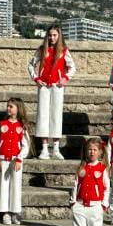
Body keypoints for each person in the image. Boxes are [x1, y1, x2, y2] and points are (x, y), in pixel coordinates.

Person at [27, 25, 76, 160]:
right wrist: (36, 78)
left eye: (54, 35)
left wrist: (65, 78)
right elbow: (31, 65)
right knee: (43, 115)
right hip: (43, 86)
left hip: (57, 86)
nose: (52, 38)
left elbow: (72, 67)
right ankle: (44, 148)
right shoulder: (42, 50)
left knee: (56, 115)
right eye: (50, 35)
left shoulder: (64, 51)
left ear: (59, 36)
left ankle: (55, 148)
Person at [68, 137, 110, 226]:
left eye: (95, 150)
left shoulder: (102, 169)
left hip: (95, 205)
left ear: (100, 152)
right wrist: (73, 201)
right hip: (80, 204)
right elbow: (76, 184)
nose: (92, 152)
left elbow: (107, 187)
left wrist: (104, 204)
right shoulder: (81, 167)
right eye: (90, 149)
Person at [0, 98, 30, 225]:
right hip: (3, 159)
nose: (8, 108)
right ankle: (5, 213)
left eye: (11, 106)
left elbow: (26, 145)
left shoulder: (22, 126)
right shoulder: (2, 124)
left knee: (16, 187)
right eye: (8, 106)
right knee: (4, 186)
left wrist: (20, 158)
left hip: (16, 160)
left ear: (18, 109)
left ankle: (15, 212)